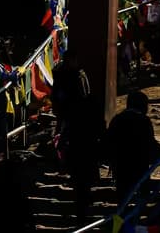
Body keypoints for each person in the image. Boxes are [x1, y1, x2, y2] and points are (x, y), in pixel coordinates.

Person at [52, 50, 101, 224]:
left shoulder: (80, 76)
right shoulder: (63, 77)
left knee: (82, 176)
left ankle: (84, 202)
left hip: (77, 131)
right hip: (72, 124)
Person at [105, 89, 158, 208]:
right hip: (139, 166)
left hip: (121, 166)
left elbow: (109, 142)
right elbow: (150, 143)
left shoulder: (117, 119)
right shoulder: (143, 121)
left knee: (122, 199)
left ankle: (122, 222)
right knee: (142, 196)